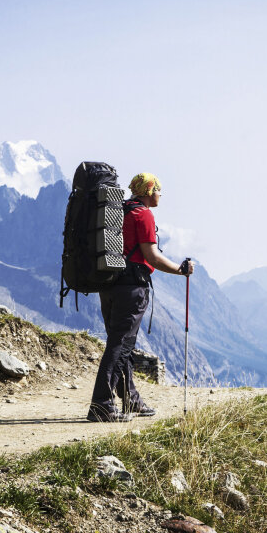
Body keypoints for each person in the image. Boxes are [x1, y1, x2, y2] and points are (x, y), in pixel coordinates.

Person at [87, 172, 194, 423]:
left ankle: (131, 399)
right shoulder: (143, 213)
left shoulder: (119, 210)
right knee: (120, 344)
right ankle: (101, 405)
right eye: (158, 189)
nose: (160, 194)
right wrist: (181, 270)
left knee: (120, 343)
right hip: (132, 287)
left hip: (109, 284)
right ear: (148, 191)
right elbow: (152, 256)